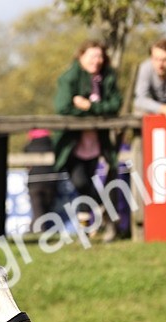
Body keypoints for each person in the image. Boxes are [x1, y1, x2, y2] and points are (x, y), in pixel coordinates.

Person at [52, 40, 122, 235]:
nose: (97, 60)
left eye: (100, 56)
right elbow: (63, 107)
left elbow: (115, 105)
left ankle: (85, 230)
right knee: (81, 182)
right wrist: (97, 111)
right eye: (92, 56)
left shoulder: (107, 77)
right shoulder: (69, 77)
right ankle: (102, 208)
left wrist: (89, 107)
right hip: (71, 143)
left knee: (86, 185)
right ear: (81, 56)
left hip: (96, 143)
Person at [24, 128, 59, 226]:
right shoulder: (53, 145)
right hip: (51, 182)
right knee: (45, 213)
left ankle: (38, 233)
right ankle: (35, 232)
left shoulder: (29, 146)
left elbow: (27, 165)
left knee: (38, 213)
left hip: (34, 182)